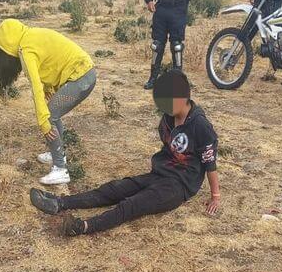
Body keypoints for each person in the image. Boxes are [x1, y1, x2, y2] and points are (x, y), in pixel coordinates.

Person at [30, 70, 220, 236]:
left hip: (179, 186)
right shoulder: (169, 117)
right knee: (114, 189)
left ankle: (84, 226)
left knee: (132, 205)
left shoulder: (200, 125)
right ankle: (60, 202)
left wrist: (215, 196)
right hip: (160, 174)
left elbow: (209, 162)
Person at [0, 18, 97, 185]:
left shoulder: (25, 50)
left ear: (6, 46)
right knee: (53, 112)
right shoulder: (30, 36)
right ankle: (57, 152)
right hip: (85, 74)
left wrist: (43, 121)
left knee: (49, 116)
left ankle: (60, 169)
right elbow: (49, 62)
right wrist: (50, 91)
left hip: (81, 78)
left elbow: (35, 87)